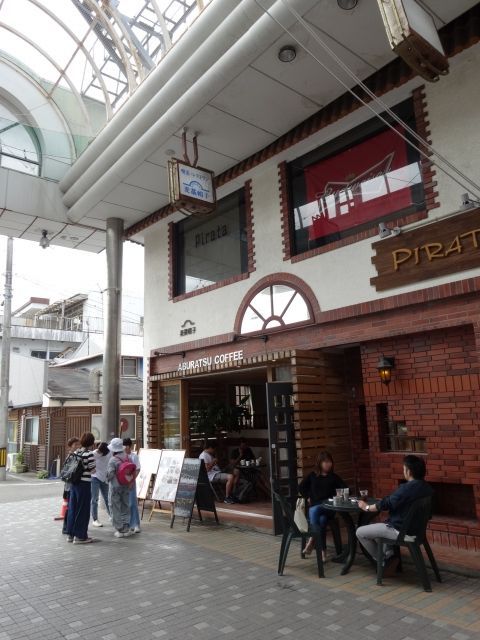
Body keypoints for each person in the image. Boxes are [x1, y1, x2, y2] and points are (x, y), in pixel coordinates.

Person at [356, 455, 433, 575]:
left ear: (409, 471)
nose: (403, 471)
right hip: (418, 531)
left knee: (360, 532)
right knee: (380, 531)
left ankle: (384, 561)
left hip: (401, 531)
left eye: (404, 469)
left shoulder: (407, 488)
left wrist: (366, 507)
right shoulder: (427, 488)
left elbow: (387, 504)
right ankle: (390, 556)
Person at [299, 451, 346, 561]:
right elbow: (301, 487)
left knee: (314, 510)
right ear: (319, 463)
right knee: (322, 520)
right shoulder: (312, 476)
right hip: (317, 508)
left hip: (329, 508)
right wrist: (308, 496)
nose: (328, 464)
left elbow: (346, 489)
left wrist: (339, 495)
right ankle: (323, 551)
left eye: (330, 462)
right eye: (325, 462)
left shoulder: (334, 477)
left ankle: (311, 540)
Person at [65, 432, 96, 544]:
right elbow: (93, 470)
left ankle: (70, 534)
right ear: (91, 442)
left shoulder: (77, 452)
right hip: (84, 485)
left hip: (74, 484)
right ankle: (80, 536)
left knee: (73, 509)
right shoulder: (89, 454)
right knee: (83, 510)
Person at [107, 437, 133, 538]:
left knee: (115, 507)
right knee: (125, 506)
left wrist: (106, 479)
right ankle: (126, 527)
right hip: (125, 485)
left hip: (115, 487)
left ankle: (120, 529)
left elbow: (110, 474)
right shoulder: (128, 457)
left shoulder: (113, 460)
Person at [61, 436, 81, 535]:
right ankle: (66, 527)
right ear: (70, 446)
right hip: (70, 486)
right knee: (70, 508)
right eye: (75, 444)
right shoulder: (72, 457)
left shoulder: (73, 456)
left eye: (78, 444)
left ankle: (69, 526)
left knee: (72, 507)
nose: (78, 446)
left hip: (70, 485)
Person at [91, 442, 111, 527]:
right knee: (94, 499)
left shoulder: (109, 453)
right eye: (98, 449)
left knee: (107, 498)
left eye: (100, 451)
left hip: (104, 478)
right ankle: (95, 519)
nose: (97, 451)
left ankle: (111, 516)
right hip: (95, 477)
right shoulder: (94, 453)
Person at [123, 438, 141, 533]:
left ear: (129, 446)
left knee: (133, 503)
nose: (124, 447)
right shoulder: (121, 456)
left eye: (126, 445)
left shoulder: (134, 456)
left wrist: (132, 480)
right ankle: (130, 524)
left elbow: (137, 469)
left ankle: (136, 524)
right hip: (123, 483)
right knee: (125, 504)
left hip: (131, 482)